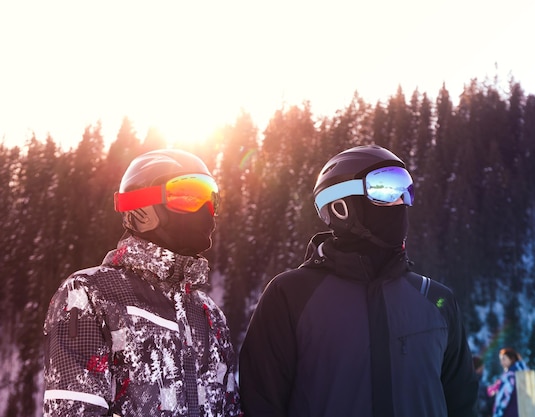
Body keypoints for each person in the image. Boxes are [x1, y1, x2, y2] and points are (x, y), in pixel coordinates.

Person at [239, 144, 478, 417]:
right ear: (341, 204)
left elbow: (462, 403)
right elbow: (262, 402)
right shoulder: (291, 296)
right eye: (385, 188)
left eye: (405, 190)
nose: (400, 202)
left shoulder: (437, 300)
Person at [43, 149, 242, 417]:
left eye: (211, 200)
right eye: (188, 196)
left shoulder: (209, 314)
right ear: (144, 207)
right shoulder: (91, 294)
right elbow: (74, 410)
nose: (206, 211)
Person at [488, 347, 528, 417]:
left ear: (511, 359)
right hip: (522, 411)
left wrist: (498, 413)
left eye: (504, 359)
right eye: (501, 360)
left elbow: (505, 396)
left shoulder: (510, 376)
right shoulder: (524, 372)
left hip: (509, 411)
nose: (501, 363)